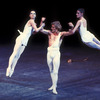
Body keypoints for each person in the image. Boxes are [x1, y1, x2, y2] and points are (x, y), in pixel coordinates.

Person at [6, 10, 45, 77]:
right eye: (31, 13)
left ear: (35, 15)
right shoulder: (31, 21)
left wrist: (41, 22)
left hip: (25, 40)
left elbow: (35, 32)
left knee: (17, 56)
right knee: (14, 53)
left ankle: (12, 69)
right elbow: (37, 29)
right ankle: (9, 68)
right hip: (21, 38)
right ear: (29, 15)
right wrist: (41, 26)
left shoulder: (33, 23)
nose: (33, 14)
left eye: (34, 13)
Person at [40, 20, 73, 94]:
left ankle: (54, 88)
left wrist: (72, 26)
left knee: (55, 71)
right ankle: (53, 84)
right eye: (52, 27)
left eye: (53, 27)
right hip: (49, 53)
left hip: (56, 54)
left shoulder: (61, 34)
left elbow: (71, 32)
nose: (52, 28)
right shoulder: (49, 33)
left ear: (57, 28)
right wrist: (42, 22)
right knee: (51, 70)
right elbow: (41, 30)